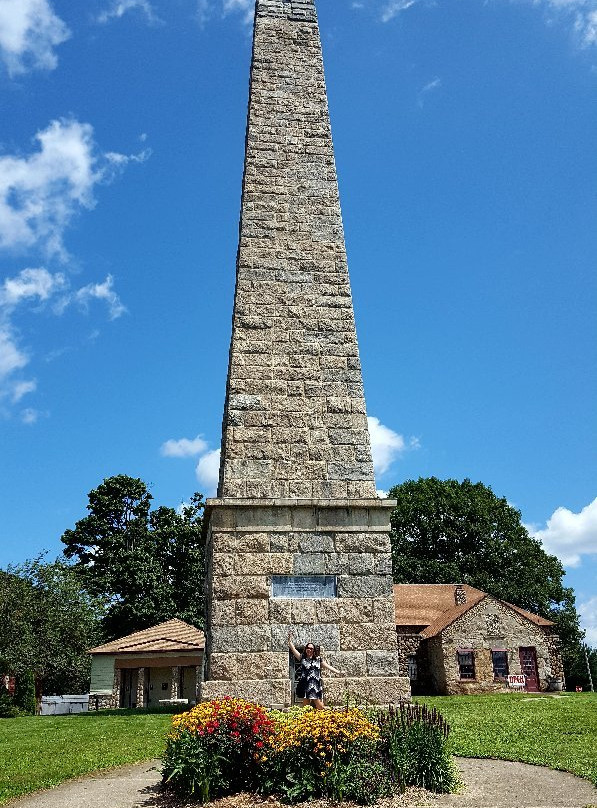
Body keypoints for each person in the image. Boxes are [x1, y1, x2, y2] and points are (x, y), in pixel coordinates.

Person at [288, 632, 344, 709]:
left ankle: (323, 719)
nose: (309, 650)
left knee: (320, 706)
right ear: (306, 649)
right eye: (308, 648)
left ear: (314, 650)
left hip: (315, 686)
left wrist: (338, 672)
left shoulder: (318, 660)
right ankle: (305, 720)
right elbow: (293, 649)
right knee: (306, 707)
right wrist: (289, 639)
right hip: (305, 685)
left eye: (311, 648)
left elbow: (328, 666)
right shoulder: (302, 658)